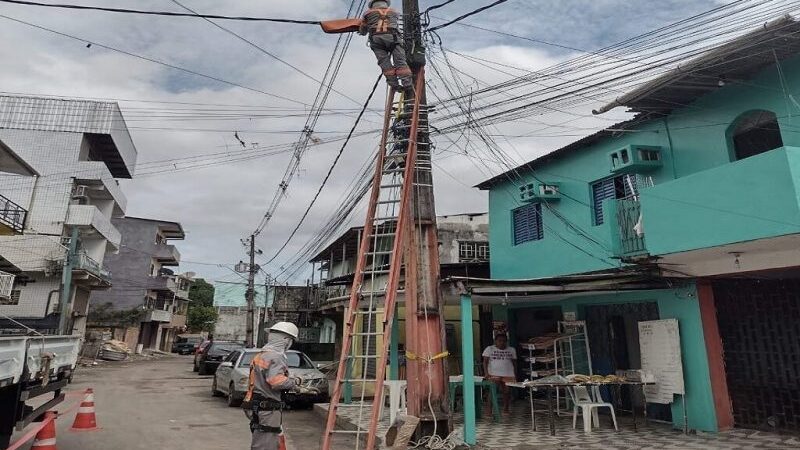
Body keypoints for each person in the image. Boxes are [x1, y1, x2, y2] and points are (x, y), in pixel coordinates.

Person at [243, 321, 301, 450]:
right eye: (291, 340)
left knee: (265, 441)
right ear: (286, 340)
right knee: (266, 444)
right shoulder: (276, 357)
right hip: (267, 408)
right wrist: (294, 382)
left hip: (256, 404)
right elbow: (276, 381)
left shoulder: (262, 354)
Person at [358, 0, 413, 90]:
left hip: (376, 40)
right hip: (393, 39)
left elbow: (363, 30)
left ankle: (394, 85)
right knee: (400, 61)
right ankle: (407, 83)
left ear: (372, 5)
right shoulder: (394, 12)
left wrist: (361, 31)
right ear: (386, 4)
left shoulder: (367, 13)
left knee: (385, 64)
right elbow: (394, 24)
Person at [482, 333, 517, 415]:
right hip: (493, 374)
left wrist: (515, 374)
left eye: (504, 341)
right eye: (499, 341)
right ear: (495, 341)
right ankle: (489, 410)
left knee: (507, 392)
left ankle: (506, 409)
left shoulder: (511, 350)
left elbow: (515, 363)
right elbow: (485, 362)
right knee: (492, 391)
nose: (502, 343)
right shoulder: (489, 349)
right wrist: (486, 373)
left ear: (507, 342)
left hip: (508, 374)